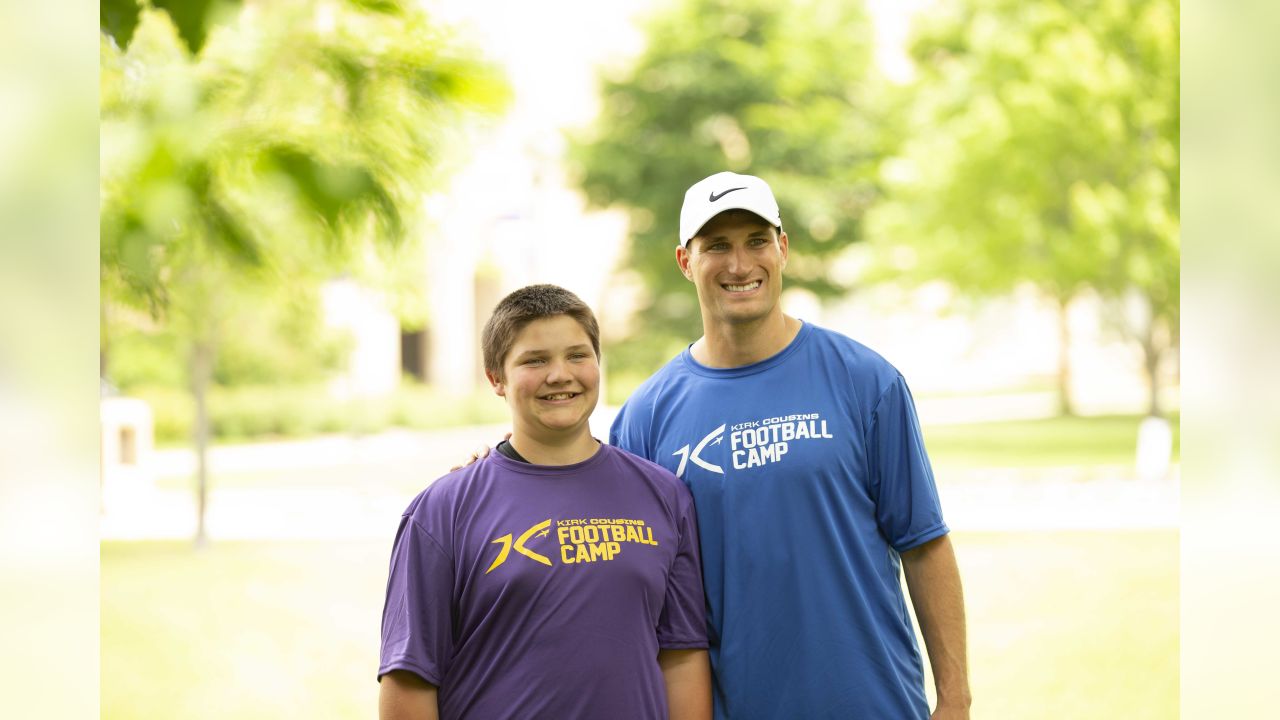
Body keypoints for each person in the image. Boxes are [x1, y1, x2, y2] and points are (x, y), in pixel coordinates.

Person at [609, 172, 971, 719]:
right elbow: (621, 576)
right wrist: (499, 468)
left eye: (756, 241)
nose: (739, 264)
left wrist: (956, 700)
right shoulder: (645, 417)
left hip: (873, 705)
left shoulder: (865, 381)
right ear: (686, 261)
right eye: (717, 246)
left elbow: (924, 544)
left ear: (783, 248)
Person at [379, 284, 712, 720]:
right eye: (535, 360)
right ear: (496, 378)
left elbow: (682, 656)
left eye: (577, 355)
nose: (560, 375)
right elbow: (409, 677)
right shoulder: (442, 512)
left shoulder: (664, 496)